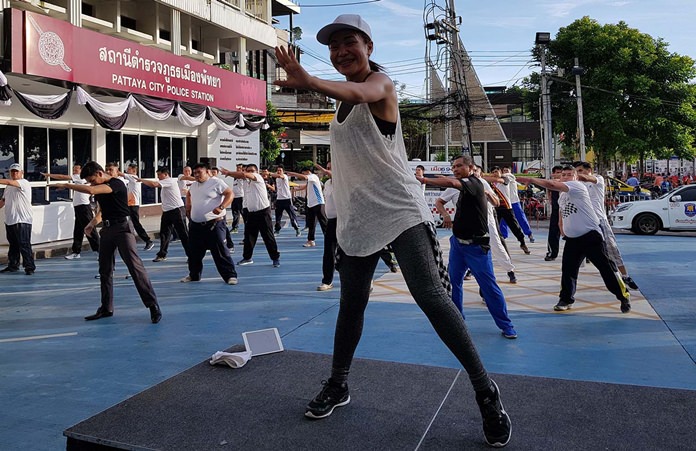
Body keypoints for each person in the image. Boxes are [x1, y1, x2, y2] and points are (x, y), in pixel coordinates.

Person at [274, 14, 511, 448]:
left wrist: (307, 78)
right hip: (359, 216)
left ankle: (484, 390)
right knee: (352, 304)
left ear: (368, 45)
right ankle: (339, 383)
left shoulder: (381, 85)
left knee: (433, 299)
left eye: (350, 43)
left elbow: (358, 91)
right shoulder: (340, 101)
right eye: (334, 46)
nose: (341, 51)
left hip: (401, 208)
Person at [423, 156, 517, 339]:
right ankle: (457, 321)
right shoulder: (458, 184)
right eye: (453, 166)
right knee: (453, 283)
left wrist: (425, 179)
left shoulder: (475, 183)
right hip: (458, 244)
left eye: (459, 166)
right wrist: (445, 216)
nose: (455, 169)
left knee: (489, 287)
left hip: (477, 246)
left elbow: (496, 202)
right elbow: (442, 199)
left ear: (471, 168)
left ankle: (506, 325)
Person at [55, 161, 161, 323]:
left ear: (99, 173)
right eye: (89, 181)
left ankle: (152, 305)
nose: (91, 183)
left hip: (123, 228)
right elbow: (102, 211)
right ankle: (106, 307)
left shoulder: (116, 183)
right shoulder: (100, 188)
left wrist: (67, 185)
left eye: (92, 179)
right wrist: (91, 224)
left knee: (134, 267)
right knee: (105, 270)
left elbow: (91, 189)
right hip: (107, 229)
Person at [518, 167, 631, 313]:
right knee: (568, 271)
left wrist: (532, 179)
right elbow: (561, 211)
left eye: (569, 174)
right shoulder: (562, 194)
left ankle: (623, 297)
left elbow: (552, 185)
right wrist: (561, 226)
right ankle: (565, 299)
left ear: (576, 177)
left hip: (591, 236)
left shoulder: (577, 186)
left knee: (606, 269)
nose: (565, 177)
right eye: (563, 175)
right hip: (572, 239)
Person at [573, 162, 639, 290]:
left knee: (612, 250)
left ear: (589, 170)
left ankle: (625, 276)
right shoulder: (577, 185)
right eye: (577, 171)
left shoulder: (598, 180)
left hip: (600, 221)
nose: (579, 173)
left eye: (580, 170)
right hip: (584, 223)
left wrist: (573, 176)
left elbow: (586, 178)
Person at [181, 163, 237, 284]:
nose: (196, 175)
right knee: (193, 253)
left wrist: (221, 207)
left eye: (199, 172)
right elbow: (189, 194)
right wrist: (188, 207)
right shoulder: (194, 186)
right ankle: (194, 275)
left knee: (220, 251)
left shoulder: (216, 183)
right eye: (194, 173)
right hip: (196, 225)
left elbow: (230, 194)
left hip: (214, 224)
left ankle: (230, 276)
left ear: (207, 172)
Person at [220, 164, 281, 267]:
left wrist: (229, 173)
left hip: (263, 212)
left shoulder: (258, 178)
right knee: (249, 237)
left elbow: (243, 174)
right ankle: (247, 258)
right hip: (251, 213)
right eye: (248, 170)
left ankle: (275, 258)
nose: (249, 172)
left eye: (252, 170)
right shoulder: (245, 182)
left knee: (268, 236)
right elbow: (241, 176)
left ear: (256, 171)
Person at [42, 164, 100, 260]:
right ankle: (76, 252)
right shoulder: (78, 180)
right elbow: (72, 185)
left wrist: (49, 175)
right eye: (73, 169)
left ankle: (99, 250)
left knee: (90, 230)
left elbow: (62, 177)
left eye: (76, 169)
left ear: (81, 170)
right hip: (78, 207)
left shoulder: (79, 177)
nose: (74, 171)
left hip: (84, 207)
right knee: (78, 230)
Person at [139, 167, 190, 263]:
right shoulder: (165, 183)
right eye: (157, 175)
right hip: (167, 211)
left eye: (159, 175)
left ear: (166, 174)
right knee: (164, 234)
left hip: (177, 210)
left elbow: (154, 184)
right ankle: (162, 254)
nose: (158, 177)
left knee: (183, 234)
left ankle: (191, 255)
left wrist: (141, 180)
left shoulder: (169, 181)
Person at [483, 167, 530, 255]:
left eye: (496, 171)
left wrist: (482, 176)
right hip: (496, 208)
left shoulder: (506, 178)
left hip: (507, 208)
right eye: (493, 172)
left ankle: (522, 243)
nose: (495, 173)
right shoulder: (491, 183)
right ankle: (491, 246)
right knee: (493, 227)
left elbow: (500, 180)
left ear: (500, 172)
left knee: (514, 226)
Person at [0, 163, 36, 275]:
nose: (14, 173)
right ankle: (13, 265)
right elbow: (3, 201)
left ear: (22, 173)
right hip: (10, 220)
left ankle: (29, 267)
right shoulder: (8, 188)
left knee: (24, 244)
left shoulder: (24, 183)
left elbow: (9, 182)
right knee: (13, 245)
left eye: (17, 171)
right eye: (12, 171)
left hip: (22, 220)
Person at [287, 167, 327, 247]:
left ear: (308, 172)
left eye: (303, 172)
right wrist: (296, 189)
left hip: (318, 203)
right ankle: (311, 240)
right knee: (311, 224)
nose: (303, 175)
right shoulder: (310, 181)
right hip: (311, 204)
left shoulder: (313, 176)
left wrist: (293, 173)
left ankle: (330, 238)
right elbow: (305, 186)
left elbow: (304, 177)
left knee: (323, 222)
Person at [120, 163, 155, 251]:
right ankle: (126, 241)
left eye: (128, 169)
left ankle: (148, 241)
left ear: (134, 170)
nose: (127, 170)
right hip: (129, 204)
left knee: (136, 224)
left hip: (133, 205)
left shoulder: (134, 177)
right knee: (124, 222)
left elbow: (120, 174)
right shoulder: (130, 179)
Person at [500, 167, 534, 243]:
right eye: (504, 170)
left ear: (510, 171)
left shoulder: (510, 176)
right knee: (503, 220)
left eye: (507, 170)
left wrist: (495, 176)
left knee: (521, 218)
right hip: (506, 203)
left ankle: (529, 233)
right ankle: (503, 236)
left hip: (514, 202)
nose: (506, 172)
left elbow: (506, 176)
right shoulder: (499, 181)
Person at [270, 165, 301, 237]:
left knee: (292, 216)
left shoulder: (284, 177)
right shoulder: (277, 179)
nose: (279, 172)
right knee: (278, 216)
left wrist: (269, 173)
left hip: (287, 199)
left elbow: (280, 176)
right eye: (278, 170)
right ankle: (277, 230)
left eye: (280, 170)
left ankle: (297, 228)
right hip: (279, 199)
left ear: (283, 171)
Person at [545, 166, 564, 261]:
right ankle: (552, 253)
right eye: (557, 172)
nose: (559, 174)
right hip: (556, 210)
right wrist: (549, 199)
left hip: (567, 210)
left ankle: (586, 255)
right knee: (553, 232)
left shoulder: (566, 182)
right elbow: (548, 190)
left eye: (561, 172)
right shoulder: (551, 183)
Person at [230, 163, 246, 233]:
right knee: (235, 213)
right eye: (237, 168)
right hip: (235, 197)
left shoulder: (242, 176)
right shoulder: (235, 178)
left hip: (241, 197)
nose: (238, 169)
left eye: (239, 168)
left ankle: (248, 227)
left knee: (243, 213)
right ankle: (235, 228)